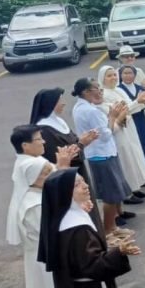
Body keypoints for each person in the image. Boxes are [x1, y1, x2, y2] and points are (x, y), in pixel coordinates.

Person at [7, 126, 69, 288]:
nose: (43, 142)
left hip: (47, 257)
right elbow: (52, 231)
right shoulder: (33, 204)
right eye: (45, 173)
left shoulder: (33, 181)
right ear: (25, 145)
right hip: (47, 261)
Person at [71, 77, 134, 242]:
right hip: (102, 154)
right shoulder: (91, 111)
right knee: (110, 194)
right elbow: (106, 134)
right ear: (86, 92)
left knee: (113, 191)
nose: (100, 91)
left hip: (99, 154)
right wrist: (113, 116)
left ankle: (113, 227)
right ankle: (108, 231)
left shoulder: (80, 107)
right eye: (96, 88)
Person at [29, 87, 103, 229]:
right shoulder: (44, 130)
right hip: (67, 179)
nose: (63, 103)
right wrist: (82, 143)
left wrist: (82, 141)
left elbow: (72, 144)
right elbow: (58, 157)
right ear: (50, 104)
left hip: (78, 172)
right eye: (59, 100)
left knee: (88, 206)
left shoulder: (59, 122)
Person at [98, 65, 145, 203]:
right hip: (118, 130)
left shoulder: (118, 90)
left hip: (128, 127)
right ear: (102, 78)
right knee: (125, 159)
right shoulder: (103, 94)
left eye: (114, 75)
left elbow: (127, 107)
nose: (113, 78)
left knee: (134, 155)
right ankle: (127, 193)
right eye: (109, 76)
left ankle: (135, 187)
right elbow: (116, 111)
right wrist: (135, 103)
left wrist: (137, 103)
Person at [117, 64, 145, 170]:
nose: (128, 76)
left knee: (144, 138)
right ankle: (139, 165)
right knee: (134, 142)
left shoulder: (139, 88)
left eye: (130, 73)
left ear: (135, 75)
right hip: (129, 120)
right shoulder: (119, 89)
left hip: (140, 118)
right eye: (125, 73)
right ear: (120, 75)